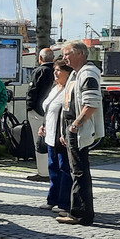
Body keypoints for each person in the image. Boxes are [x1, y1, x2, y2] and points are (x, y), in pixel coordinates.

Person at [57, 41, 104, 226]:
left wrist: (75, 126)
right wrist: (65, 130)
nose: (64, 58)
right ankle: (78, 210)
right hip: (72, 128)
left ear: (79, 54)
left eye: (67, 54)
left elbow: (91, 103)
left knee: (79, 171)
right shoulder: (76, 74)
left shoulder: (87, 73)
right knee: (77, 170)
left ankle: (81, 214)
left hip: (78, 128)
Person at [38, 59, 73, 215]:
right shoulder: (55, 88)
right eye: (55, 70)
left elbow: (69, 113)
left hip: (61, 136)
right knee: (53, 168)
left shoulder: (69, 90)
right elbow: (49, 108)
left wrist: (66, 133)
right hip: (50, 134)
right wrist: (44, 124)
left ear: (67, 72)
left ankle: (64, 202)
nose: (55, 73)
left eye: (59, 70)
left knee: (64, 168)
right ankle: (52, 199)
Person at [26, 47, 56, 181]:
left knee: (39, 141)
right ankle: (53, 169)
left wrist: (29, 106)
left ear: (40, 58)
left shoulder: (39, 71)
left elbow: (32, 90)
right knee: (51, 140)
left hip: (37, 111)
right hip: (52, 111)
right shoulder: (56, 70)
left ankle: (43, 172)